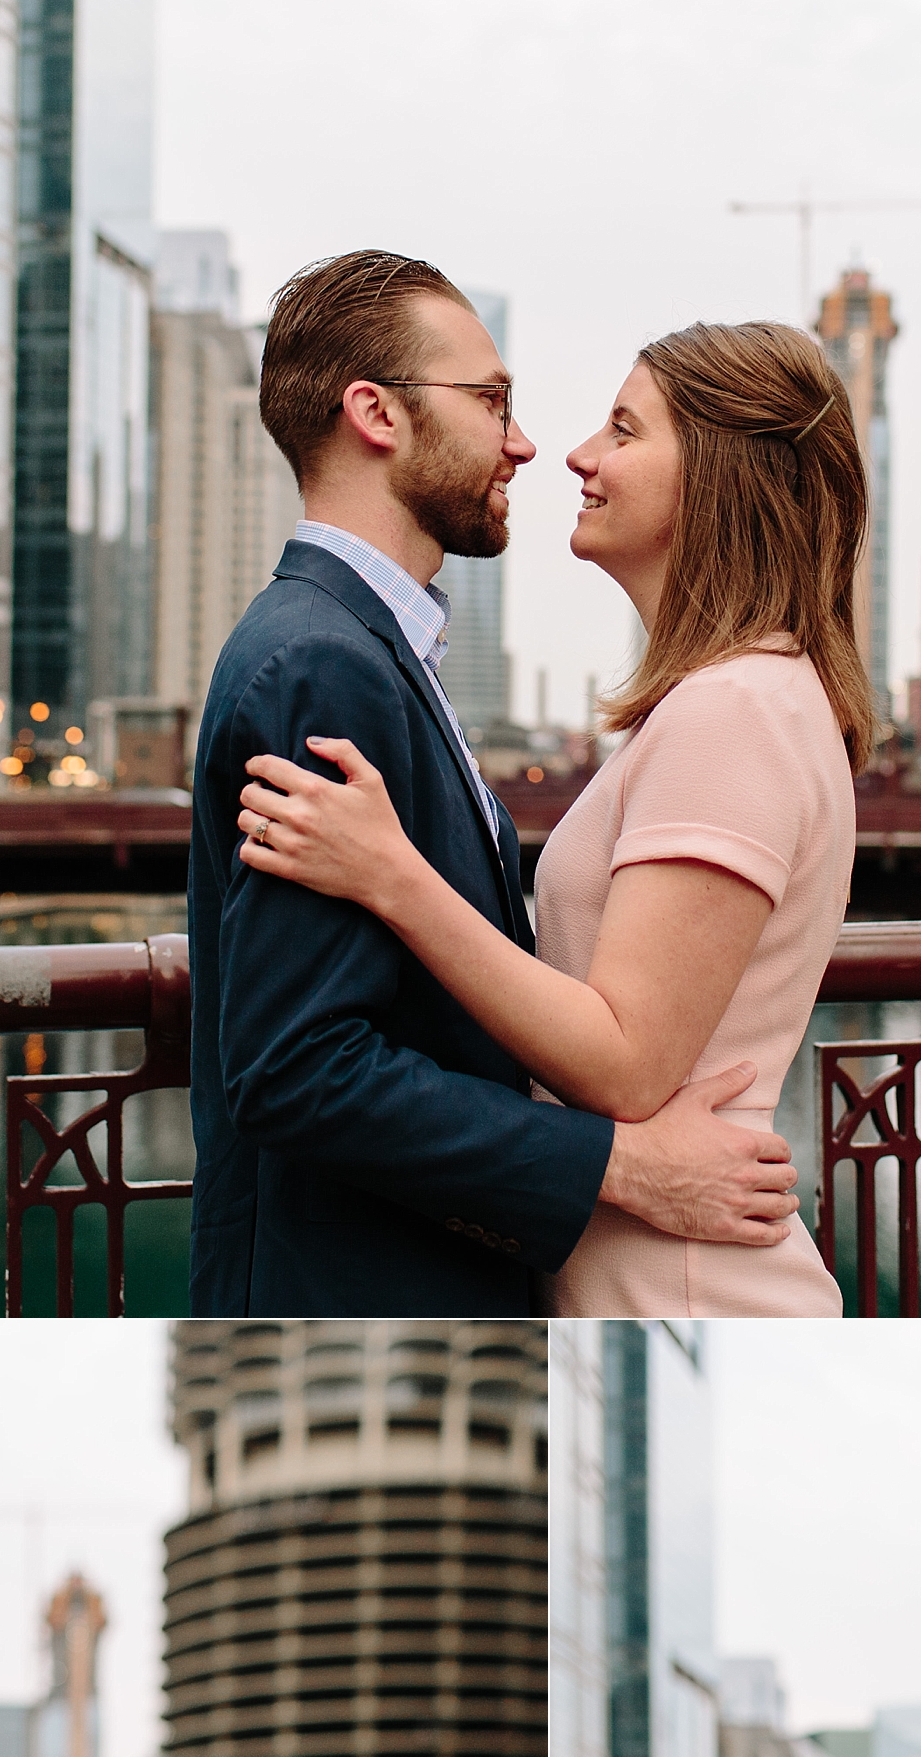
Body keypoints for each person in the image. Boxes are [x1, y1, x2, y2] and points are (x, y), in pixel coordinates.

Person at [188, 245, 800, 1316]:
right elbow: (297, 1066)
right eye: (492, 401)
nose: (524, 444)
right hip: (361, 1304)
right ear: (377, 415)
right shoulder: (321, 665)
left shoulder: (363, 647)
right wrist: (619, 1167)